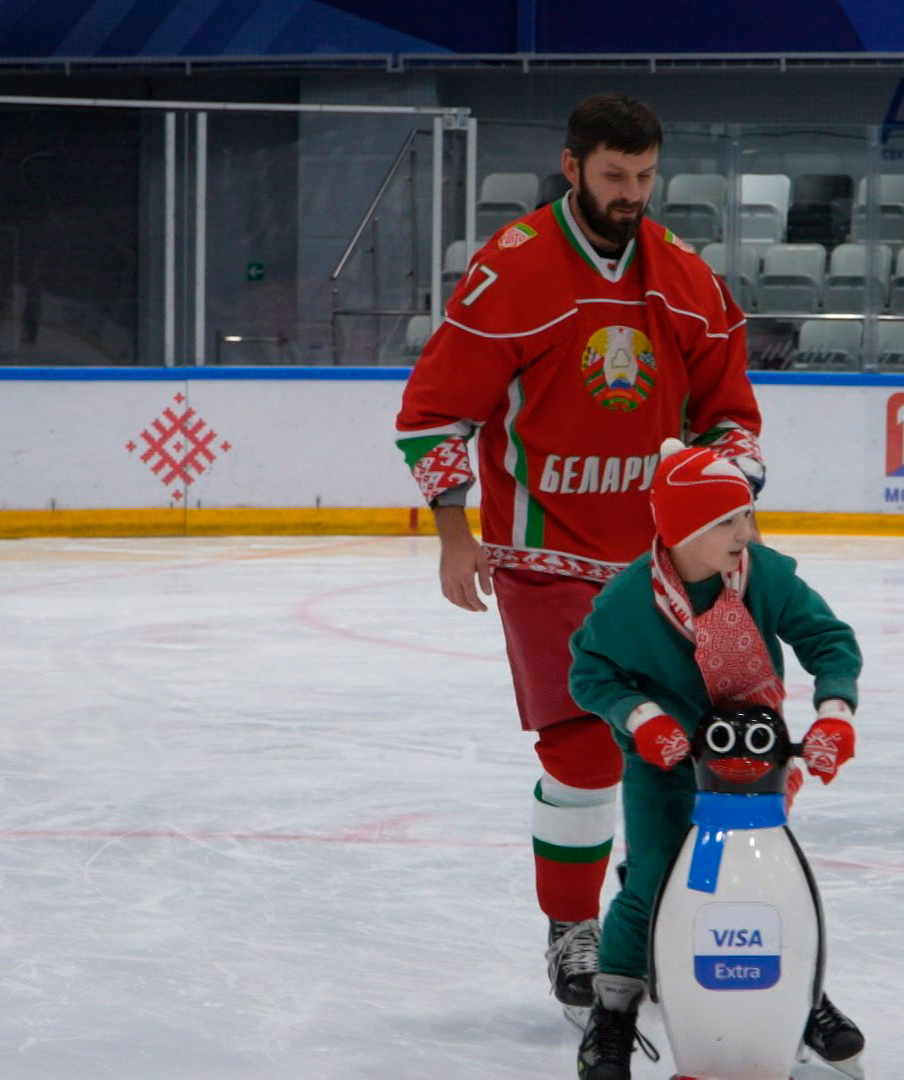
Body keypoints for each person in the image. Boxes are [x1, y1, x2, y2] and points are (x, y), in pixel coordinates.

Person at [392, 93, 764, 1009]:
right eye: (613, 176)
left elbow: (732, 418)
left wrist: (724, 503)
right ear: (572, 167)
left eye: (644, 177)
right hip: (544, 554)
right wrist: (453, 532)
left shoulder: (685, 277)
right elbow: (438, 411)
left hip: (659, 561)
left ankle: (653, 920)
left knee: (673, 751)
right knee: (586, 752)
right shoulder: (511, 271)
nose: (632, 193)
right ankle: (572, 928)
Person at [567, 440, 864, 1080]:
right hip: (664, 768)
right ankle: (614, 1013)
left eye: (747, 515)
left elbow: (829, 639)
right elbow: (590, 674)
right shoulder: (627, 605)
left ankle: (803, 999)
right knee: (652, 880)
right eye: (729, 520)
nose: (747, 531)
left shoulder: (765, 575)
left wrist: (835, 713)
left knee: (769, 884)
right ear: (685, 528)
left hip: (753, 765)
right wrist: (643, 721)